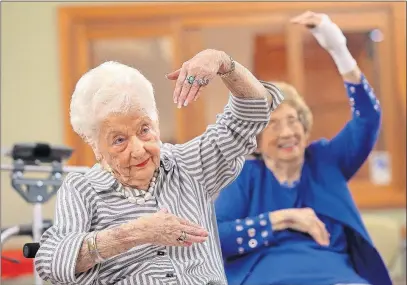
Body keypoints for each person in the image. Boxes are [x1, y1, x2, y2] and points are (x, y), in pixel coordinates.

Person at [33, 49, 283, 285]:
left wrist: (221, 62)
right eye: (119, 140)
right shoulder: (82, 189)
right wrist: (135, 233)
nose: (139, 149)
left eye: (145, 130)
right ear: (96, 147)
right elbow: (51, 261)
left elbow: (253, 111)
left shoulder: (189, 164)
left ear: (157, 124)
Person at [215, 12, 392, 285]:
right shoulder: (244, 175)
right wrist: (282, 219)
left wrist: (339, 50)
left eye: (292, 120)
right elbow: (216, 238)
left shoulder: (325, 161)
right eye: (273, 125)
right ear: (256, 141)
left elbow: (368, 119)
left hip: (336, 279)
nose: (287, 132)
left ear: (304, 125)